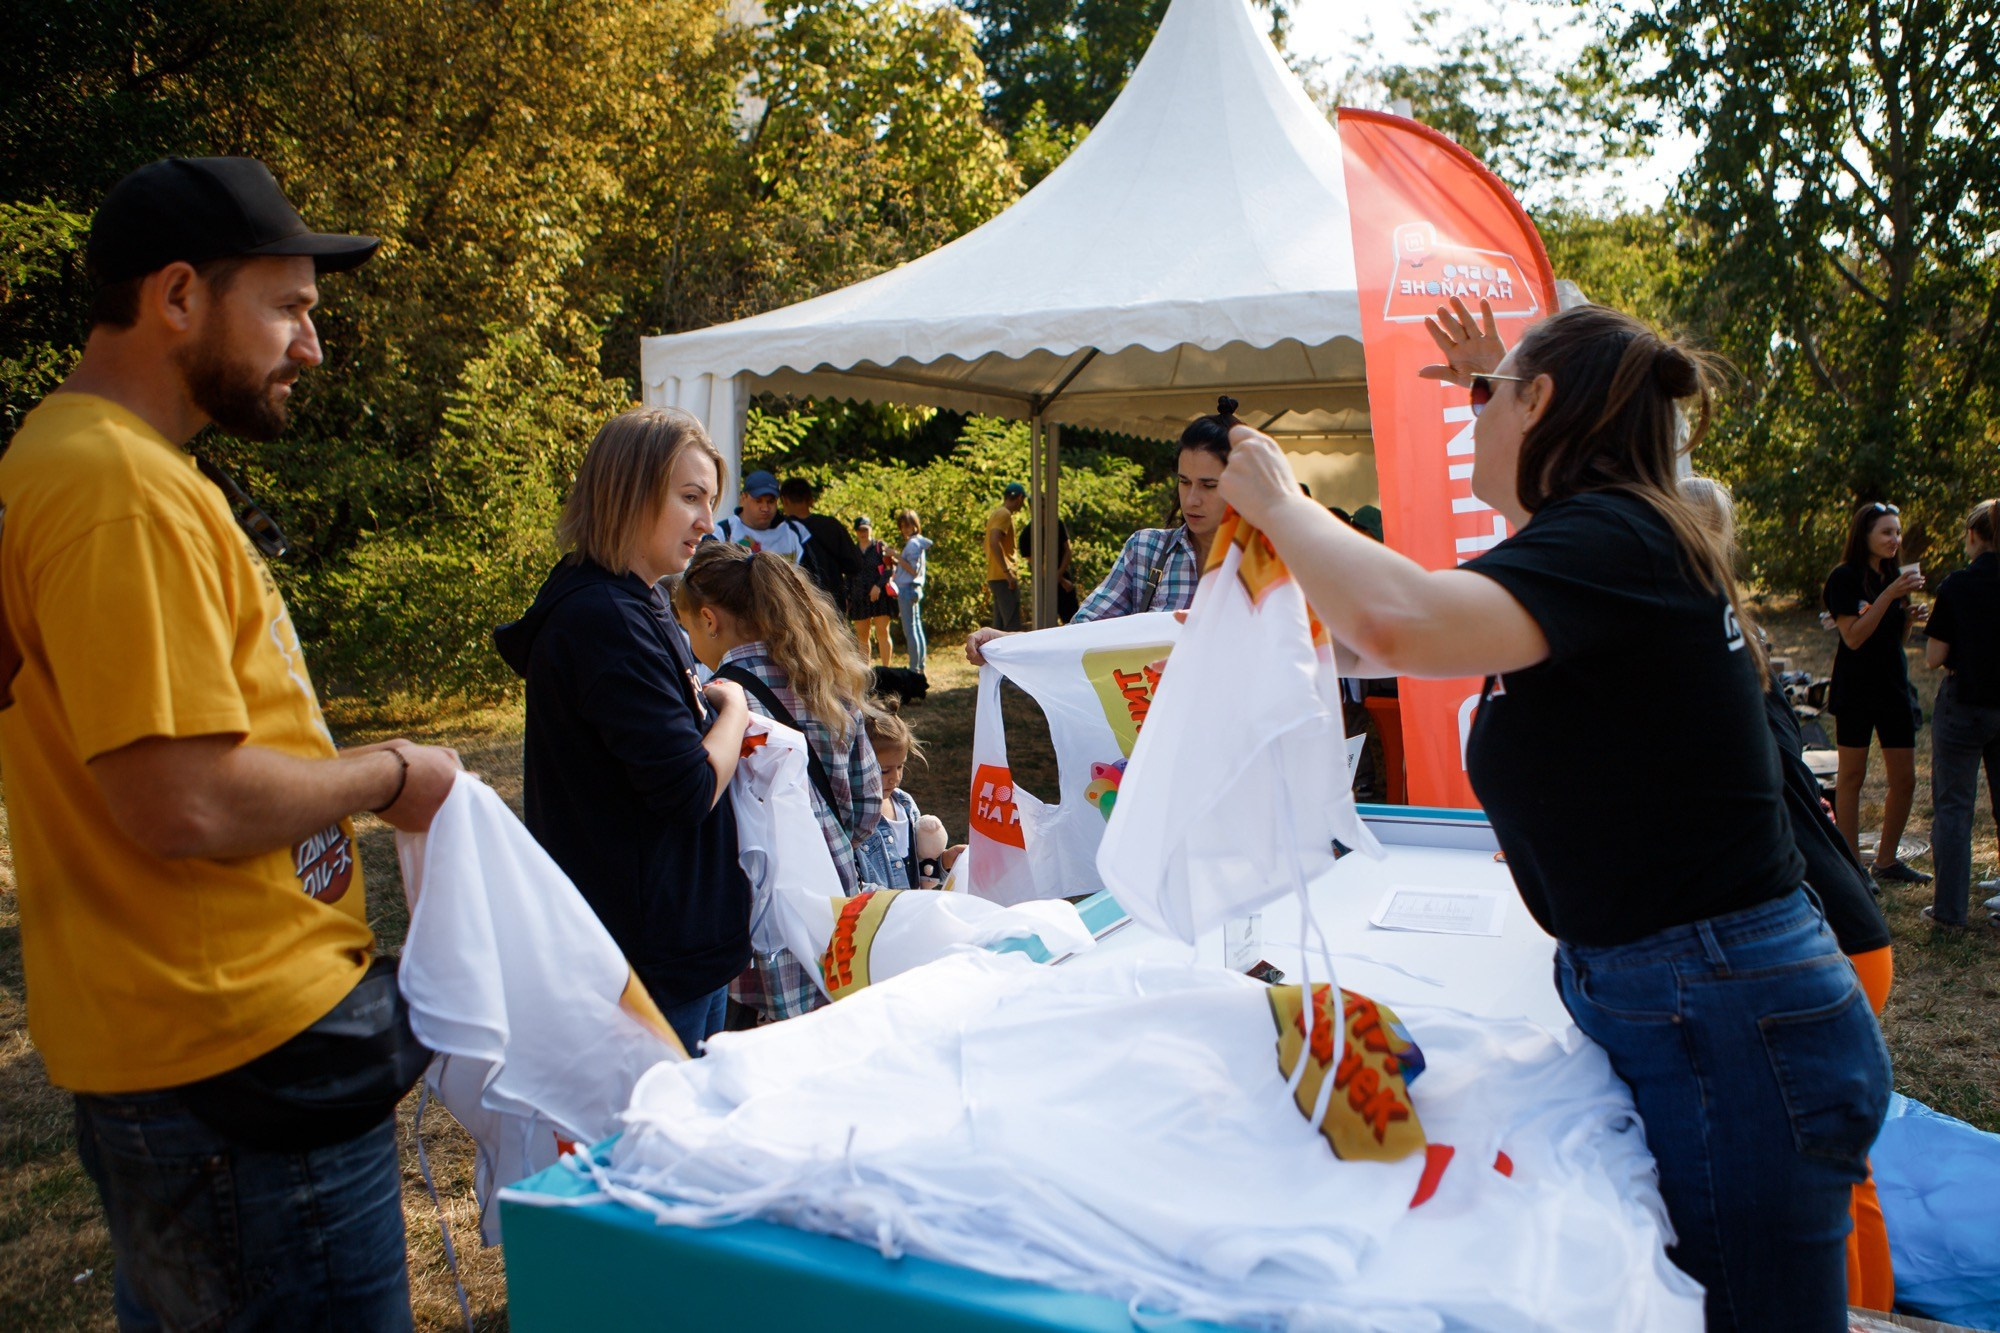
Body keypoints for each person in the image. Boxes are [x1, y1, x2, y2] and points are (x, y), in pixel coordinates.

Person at [1215, 298, 1891, 1330]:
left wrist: (1282, 504)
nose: (1467, 417)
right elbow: (1364, 639)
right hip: (1699, 1002)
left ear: (1537, 404)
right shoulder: (1616, 534)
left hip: (1726, 1018)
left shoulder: (1616, 535)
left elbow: (1394, 622)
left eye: (1484, 398)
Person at [0, 156, 464, 1330]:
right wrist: (395, 775)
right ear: (177, 298)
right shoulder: (119, 490)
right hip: (235, 1060)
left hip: (181, 1048)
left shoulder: (77, 463)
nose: (310, 346)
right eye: (290, 308)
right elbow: (182, 802)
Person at [1684, 477, 1897, 1308]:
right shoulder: (1744, 644)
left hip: (1825, 939)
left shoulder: (1707, 658)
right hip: (1851, 926)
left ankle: (1862, 1314)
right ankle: (1872, 1309)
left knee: (1818, 1180)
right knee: (1844, 1168)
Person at [495, 408, 752, 1053]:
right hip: (648, 955)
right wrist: (737, 712)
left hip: (665, 939)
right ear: (630, 491)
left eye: (710, 501)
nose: (706, 521)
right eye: (689, 497)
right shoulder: (605, 617)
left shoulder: (635, 599)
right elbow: (689, 787)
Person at [676, 542, 883, 1021]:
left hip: (759, 923)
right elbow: (868, 803)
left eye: (687, 627)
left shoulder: (717, 704)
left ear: (709, 620)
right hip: (835, 901)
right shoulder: (824, 679)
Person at [965, 398, 1234, 664]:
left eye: (1209, 485)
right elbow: (1082, 634)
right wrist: (1005, 644)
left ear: (1243, 485)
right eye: (1184, 482)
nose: (1191, 500)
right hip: (1152, 708)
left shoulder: (1269, 564)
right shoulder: (1146, 550)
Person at [1823, 502, 1931, 884]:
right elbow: (1852, 638)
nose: (1895, 539)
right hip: (1855, 689)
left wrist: (1909, 618)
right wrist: (1889, 596)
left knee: (1905, 779)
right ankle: (1853, 866)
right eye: (1886, 532)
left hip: (1893, 687)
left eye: (1897, 532)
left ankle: (1886, 861)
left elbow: (1893, 639)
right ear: (1864, 535)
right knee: (1851, 776)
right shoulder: (1844, 578)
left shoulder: (1892, 575)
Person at [1923, 498, 2000, 928]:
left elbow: (1934, 657)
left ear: (1973, 535)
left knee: (1954, 808)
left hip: (1965, 705)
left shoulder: (1957, 585)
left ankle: (1950, 913)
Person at [854, 702, 966, 890]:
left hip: (912, 913)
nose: (895, 778)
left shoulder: (905, 804)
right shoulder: (854, 817)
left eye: (900, 767)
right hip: (879, 916)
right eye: (884, 771)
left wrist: (944, 861)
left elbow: (919, 867)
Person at [779, 475, 863, 606]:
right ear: (811, 500)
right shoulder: (832, 526)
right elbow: (854, 565)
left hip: (795, 603)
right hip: (831, 601)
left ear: (784, 500)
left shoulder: (781, 530)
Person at [715, 468, 811, 565]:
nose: (765, 508)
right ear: (743, 498)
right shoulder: (722, 533)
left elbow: (813, 576)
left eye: (770, 501)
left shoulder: (797, 532)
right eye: (758, 501)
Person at [849, 515, 899, 666]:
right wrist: (847, 595)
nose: (863, 533)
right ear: (856, 532)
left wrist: (878, 586)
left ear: (871, 528)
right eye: (859, 530)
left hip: (880, 595)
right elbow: (848, 574)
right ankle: (866, 674)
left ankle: (887, 669)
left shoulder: (880, 547)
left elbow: (890, 568)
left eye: (865, 529)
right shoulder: (852, 551)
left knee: (882, 633)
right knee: (862, 638)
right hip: (859, 597)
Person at [889, 508, 933, 674]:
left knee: (910, 630)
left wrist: (896, 556)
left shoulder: (913, 543)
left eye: (909, 525)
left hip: (908, 589)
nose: (906, 529)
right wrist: (898, 560)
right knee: (916, 628)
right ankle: (920, 666)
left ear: (916, 525)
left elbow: (913, 570)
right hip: (914, 589)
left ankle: (914, 669)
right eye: (903, 526)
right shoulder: (918, 542)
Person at [1019, 517, 1080, 623]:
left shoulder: (1057, 524)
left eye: (1044, 506)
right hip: (1042, 583)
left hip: (1063, 576)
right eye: (1041, 506)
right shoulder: (1027, 534)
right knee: (1045, 622)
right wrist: (1060, 580)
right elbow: (1036, 564)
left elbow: (1067, 551)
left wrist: (1060, 575)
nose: (1043, 510)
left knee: (1072, 620)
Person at [985, 481, 1027, 630]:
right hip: (1003, 578)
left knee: (1000, 625)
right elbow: (994, 541)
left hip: (995, 576)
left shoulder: (996, 513)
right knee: (1011, 625)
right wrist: (1007, 572)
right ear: (1020, 497)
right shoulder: (1004, 514)